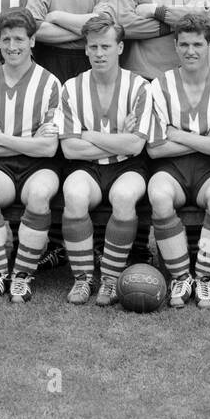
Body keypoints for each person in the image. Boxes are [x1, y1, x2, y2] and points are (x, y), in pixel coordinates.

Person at [146, 16, 210, 310]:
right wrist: (204, 138)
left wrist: (177, 133)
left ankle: (205, 278)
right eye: (184, 44)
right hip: (171, 169)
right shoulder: (159, 85)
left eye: (198, 44)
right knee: (159, 195)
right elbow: (155, 149)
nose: (191, 51)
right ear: (175, 47)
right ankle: (180, 276)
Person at [57, 18, 154, 306]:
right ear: (85, 50)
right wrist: (116, 137)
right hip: (86, 167)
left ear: (120, 47)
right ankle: (83, 278)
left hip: (127, 166)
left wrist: (88, 133)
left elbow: (136, 145)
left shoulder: (139, 86)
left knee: (124, 197)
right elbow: (70, 149)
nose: (100, 53)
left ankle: (110, 280)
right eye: (94, 47)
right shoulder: (71, 88)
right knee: (74, 195)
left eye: (106, 46)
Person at [0, 9, 63, 305]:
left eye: (19, 39)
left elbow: (48, 149)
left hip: (41, 166)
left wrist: (1, 138)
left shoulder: (50, 83)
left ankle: (22, 275)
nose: (12, 46)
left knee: (38, 194)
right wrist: (26, 142)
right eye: (6, 39)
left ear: (33, 40)